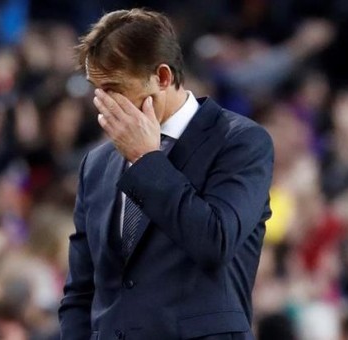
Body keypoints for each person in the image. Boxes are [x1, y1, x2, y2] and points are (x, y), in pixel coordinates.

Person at [58, 8, 274, 340]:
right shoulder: (97, 164)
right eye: (96, 89)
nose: (102, 103)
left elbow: (214, 241)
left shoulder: (240, 142)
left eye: (114, 88)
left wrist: (146, 158)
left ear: (161, 77)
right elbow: (81, 291)